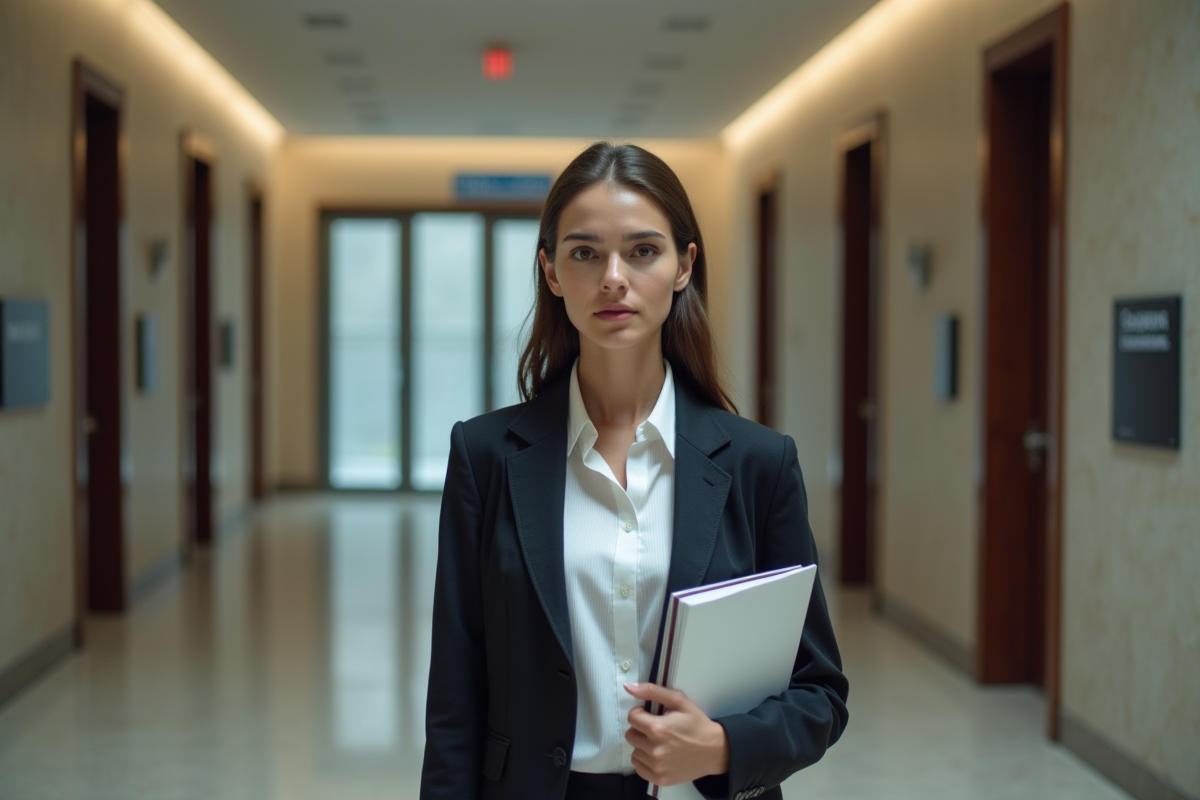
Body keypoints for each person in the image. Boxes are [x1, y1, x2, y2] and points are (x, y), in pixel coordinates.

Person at [420, 142, 848, 800]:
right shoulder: (486, 457)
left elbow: (820, 694)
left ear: (684, 266)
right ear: (552, 271)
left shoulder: (760, 464)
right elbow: (455, 696)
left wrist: (724, 747)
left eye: (643, 251)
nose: (613, 278)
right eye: (585, 252)